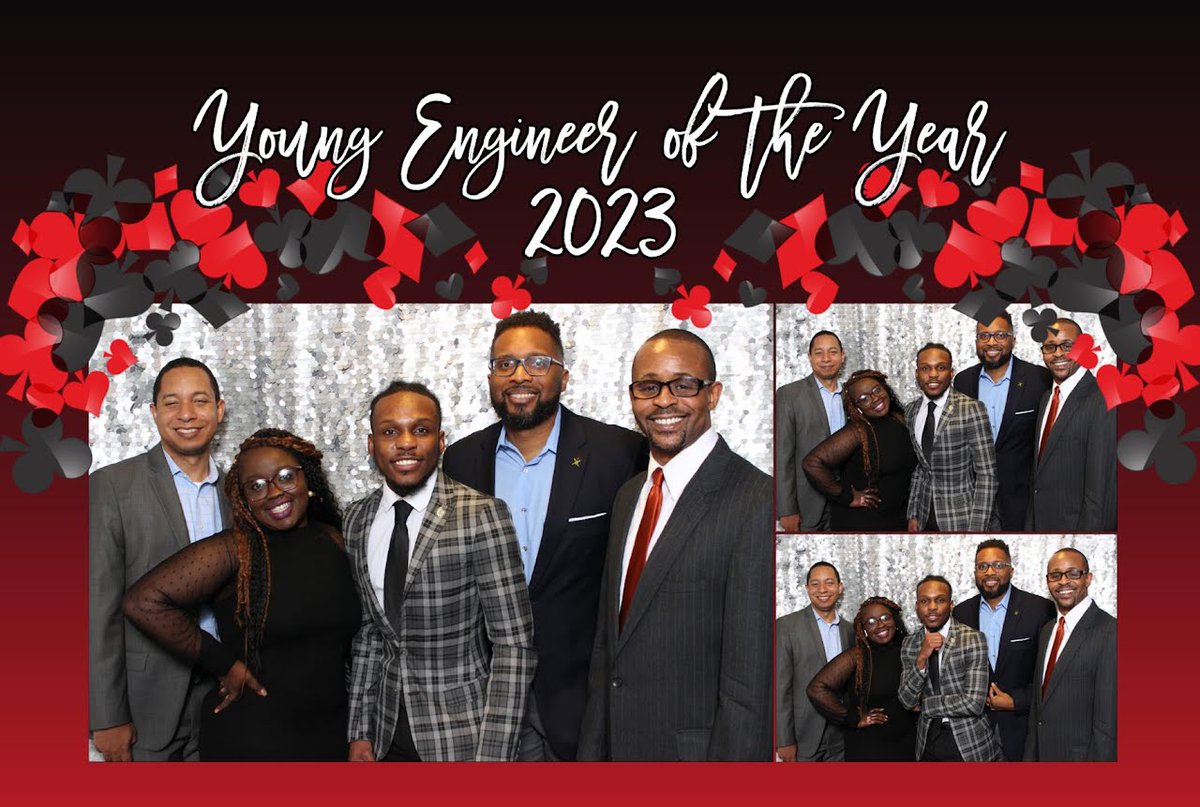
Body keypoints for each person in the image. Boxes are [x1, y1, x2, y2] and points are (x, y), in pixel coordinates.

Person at [442, 311, 646, 761]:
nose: (519, 375)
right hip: (488, 704)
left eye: (537, 362)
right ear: (491, 377)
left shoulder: (620, 453)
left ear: (564, 376)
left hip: (582, 700)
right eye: (504, 363)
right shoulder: (459, 461)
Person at [578, 329, 772, 761]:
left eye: (684, 385)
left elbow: (750, 683)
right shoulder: (629, 495)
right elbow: (607, 650)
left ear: (713, 394)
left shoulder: (756, 499)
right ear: (632, 397)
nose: (664, 401)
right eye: (649, 387)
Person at [122, 429, 360, 761]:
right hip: (255, 738)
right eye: (256, 486)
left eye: (285, 477)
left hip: (330, 734)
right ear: (243, 498)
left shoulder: (335, 539)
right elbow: (143, 601)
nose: (274, 492)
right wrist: (222, 663)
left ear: (308, 479)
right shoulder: (237, 550)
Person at [345, 381, 535, 762]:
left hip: (462, 737)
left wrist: (493, 758)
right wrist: (359, 732)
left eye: (420, 430)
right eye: (389, 432)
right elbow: (369, 633)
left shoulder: (480, 514)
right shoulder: (356, 519)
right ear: (371, 444)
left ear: (441, 440)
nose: (405, 443)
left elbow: (514, 646)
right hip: (384, 738)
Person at [89, 357, 231, 761]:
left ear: (219, 410)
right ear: (154, 413)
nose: (186, 414)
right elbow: (98, 606)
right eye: (172, 403)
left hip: (221, 696)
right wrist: (107, 715)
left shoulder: (239, 491)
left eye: (200, 401)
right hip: (143, 704)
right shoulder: (111, 487)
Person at [951, 539, 1055, 761]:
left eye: (998, 565)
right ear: (975, 572)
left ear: (1011, 570)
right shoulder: (961, 613)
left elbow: (1051, 674)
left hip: (1022, 730)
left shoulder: (1039, 609)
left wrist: (1016, 701)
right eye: (982, 566)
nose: (990, 572)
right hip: (972, 733)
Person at [952, 312, 1052, 531]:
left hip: (1022, 501)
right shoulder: (962, 381)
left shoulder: (1040, 379)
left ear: (1013, 339)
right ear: (977, 341)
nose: (991, 342)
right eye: (984, 336)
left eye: (999, 335)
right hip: (974, 502)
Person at [1025, 548, 1117, 761]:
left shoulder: (1111, 631)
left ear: (1088, 578)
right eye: (1055, 575)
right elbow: (1038, 708)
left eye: (1073, 573)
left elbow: (1108, 722)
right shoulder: (1048, 629)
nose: (1063, 582)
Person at [1026, 319, 1117, 531]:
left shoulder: (1102, 399)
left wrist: (1085, 538)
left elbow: (1100, 491)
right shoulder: (1046, 397)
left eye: (1068, 346)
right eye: (1050, 347)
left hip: (1075, 530)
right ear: (1042, 352)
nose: (1058, 354)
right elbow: (1038, 478)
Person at [899, 575, 1002, 762]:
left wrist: (926, 705)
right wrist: (922, 657)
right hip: (927, 742)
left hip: (968, 742)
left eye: (940, 600)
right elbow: (906, 700)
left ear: (951, 604)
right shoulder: (910, 644)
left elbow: (974, 703)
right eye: (924, 601)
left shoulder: (972, 639)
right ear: (916, 606)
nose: (931, 607)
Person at [802, 369, 918, 531]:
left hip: (897, 517)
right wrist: (847, 497)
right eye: (864, 398)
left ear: (885, 389)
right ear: (857, 407)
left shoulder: (899, 419)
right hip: (864, 521)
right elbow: (812, 462)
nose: (875, 398)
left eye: (877, 390)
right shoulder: (857, 431)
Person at [807, 596, 918, 762]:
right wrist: (853, 718)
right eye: (871, 621)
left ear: (894, 620)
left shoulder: (909, 650)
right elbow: (816, 688)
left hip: (908, 744)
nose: (880, 625)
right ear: (863, 629)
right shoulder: (856, 657)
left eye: (885, 618)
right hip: (870, 748)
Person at [904, 343, 998, 532]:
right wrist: (912, 514)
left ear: (951, 372)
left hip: (961, 517)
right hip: (923, 516)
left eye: (940, 367)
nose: (933, 374)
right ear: (917, 374)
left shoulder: (971, 408)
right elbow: (920, 468)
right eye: (925, 368)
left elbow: (987, 474)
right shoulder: (910, 411)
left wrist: (976, 528)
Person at [775, 562, 856, 761]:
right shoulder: (786, 626)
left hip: (841, 735)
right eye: (815, 584)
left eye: (829, 583)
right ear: (807, 588)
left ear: (840, 587)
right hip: (803, 736)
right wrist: (784, 740)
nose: (822, 590)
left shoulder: (850, 630)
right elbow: (780, 687)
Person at [776, 331, 847, 531]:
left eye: (833, 352)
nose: (826, 359)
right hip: (806, 503)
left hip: (845, 501)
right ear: (809, 357)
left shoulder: (853, 394)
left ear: (842, 356)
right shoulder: (789, 395)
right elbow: (783, 456)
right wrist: (786, 509)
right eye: (819, 353)